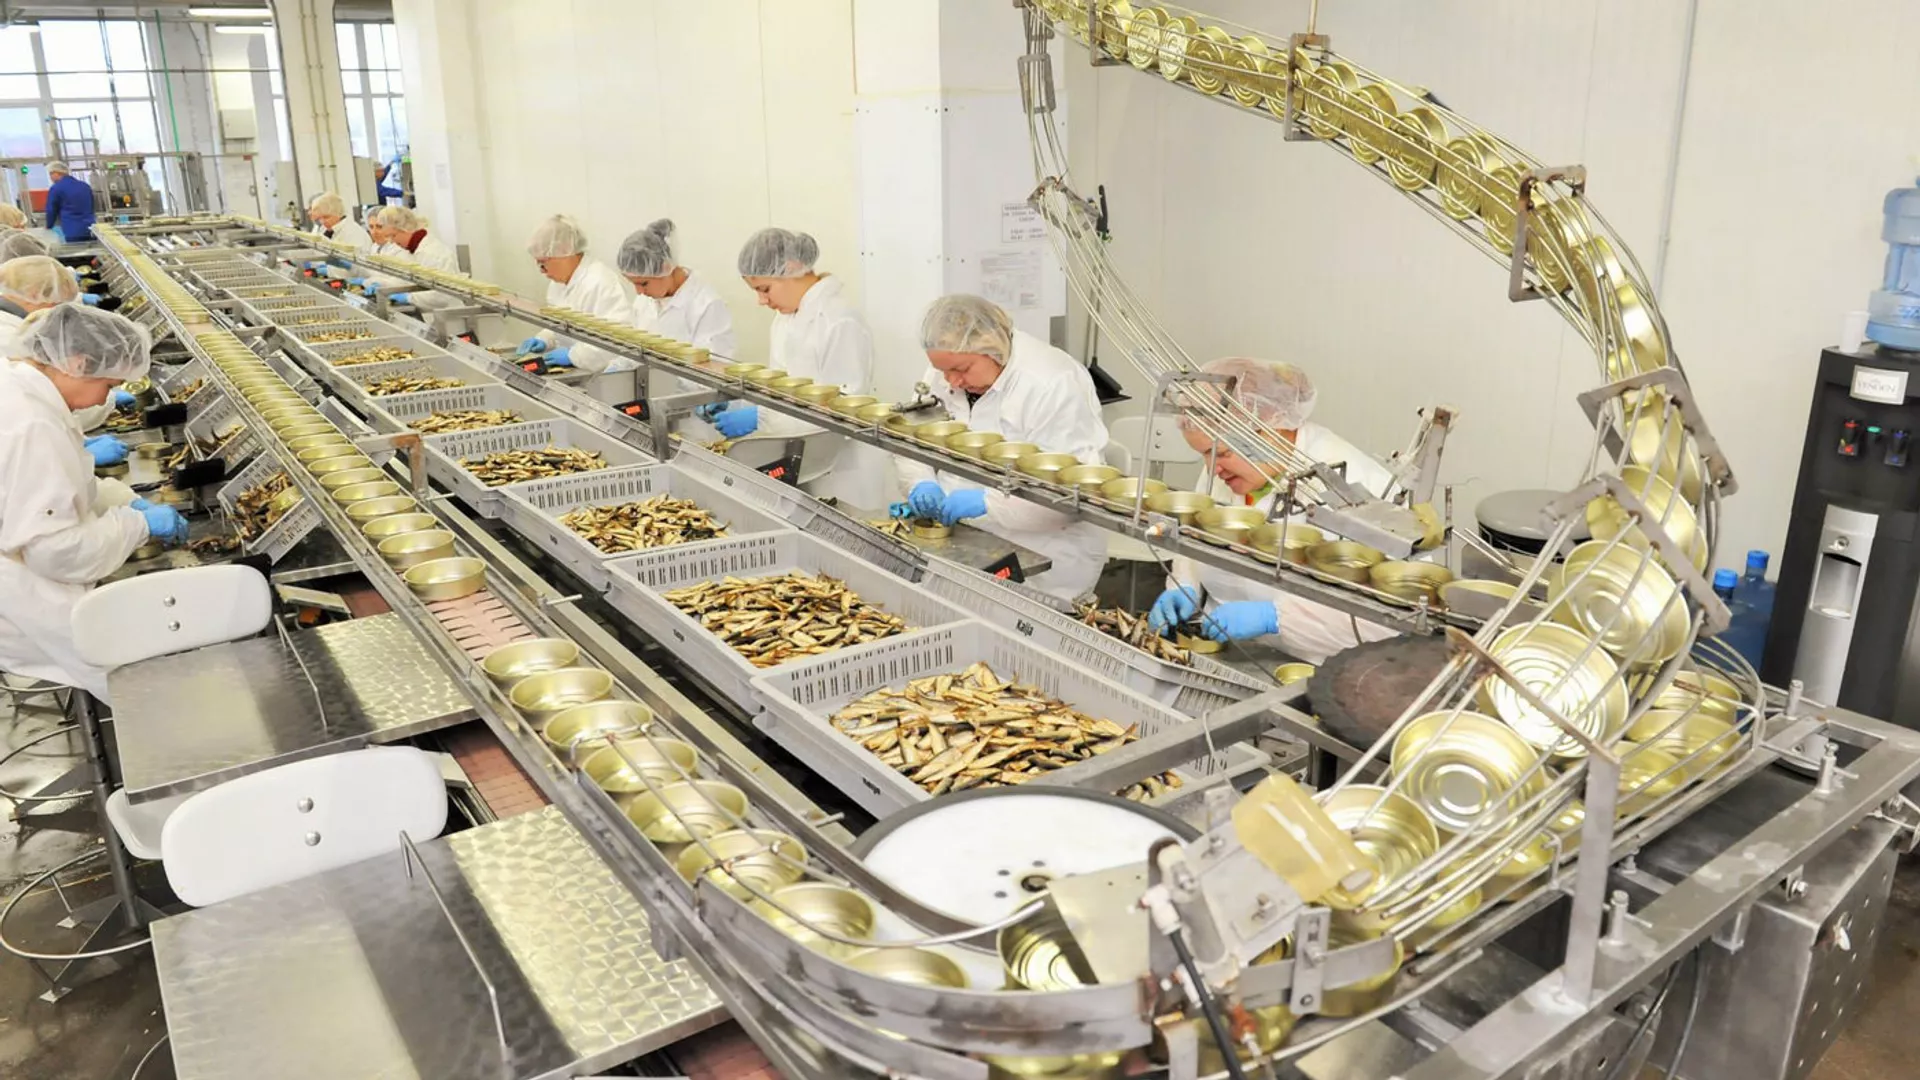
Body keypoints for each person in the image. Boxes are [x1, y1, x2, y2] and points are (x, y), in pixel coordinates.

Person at [1146, 357, 1399, 663]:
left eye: (1221, 453)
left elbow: (1387, 620)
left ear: (1269, 427)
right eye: (1203, 455)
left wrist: (1277, 618)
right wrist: (1185, 583)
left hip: (1317, 665)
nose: (1212, 469)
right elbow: (1198, 533)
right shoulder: (1228, 472)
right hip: (1230, 651)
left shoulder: (1358, 486)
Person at [0, 305, 187, 699]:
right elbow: (54, 552)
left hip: (19, 572)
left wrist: (122, 500)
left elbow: (59, 486)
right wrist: (137, 525)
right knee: (139, 682)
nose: (105, 397)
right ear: (77, 363)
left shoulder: (23, 388)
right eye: (108, 384)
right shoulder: (33, 424)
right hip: (23, 594)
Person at [893, 295, 1111, 599]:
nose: (951, 381)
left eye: (962, 369)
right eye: (943, 371)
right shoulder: (947, 372)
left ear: (991, 349)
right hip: (968, 544)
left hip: (1043, 555)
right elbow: (913, 435)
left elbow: (1071, 493)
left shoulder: (1052, 383)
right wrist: (921, 482)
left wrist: (989, 503)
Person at [703, 226, 881, 503]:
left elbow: (845, 410)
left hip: (839, 470)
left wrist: (760, 417)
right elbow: (782, 385)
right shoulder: (785, 319)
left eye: (765, 289)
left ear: (792, 268)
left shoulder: (839, 321)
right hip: (795, 458)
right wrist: (738, 403)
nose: (761, 301)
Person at [618, 219, 735, 394]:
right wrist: (619, 368)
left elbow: (715, 374)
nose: (639, 292)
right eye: (633, 284)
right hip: (653, 397)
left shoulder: (705, 304)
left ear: (665, 268)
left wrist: (666, 381)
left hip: (691, 406)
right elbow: (634, 347)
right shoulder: (645, 301)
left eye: (643, 283)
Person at [515, 214, 634, 374]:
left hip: (601, 375)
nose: (542, 271)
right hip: (574, 371)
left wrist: (574, 356)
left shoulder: (601, 282)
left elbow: (617, 340)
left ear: (564, 252)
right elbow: (561, 325)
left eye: (543, 263)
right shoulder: (558, 284)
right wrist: (544, 339)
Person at [43, 162, 96, 243]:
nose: (50, 177)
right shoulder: (85, 186)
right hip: (91, 229)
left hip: (72, 232)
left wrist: (48, 226)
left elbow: (51, 210)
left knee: (75, 251)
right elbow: (92, 206)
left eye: (51, 174)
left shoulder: (56, 188)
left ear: (57, 173)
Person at [306, 192, 372, 252]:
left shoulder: (354, 233)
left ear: (338, 213)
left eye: (326, 217)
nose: (322, 221)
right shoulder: (324, 229)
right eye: (320, 218)